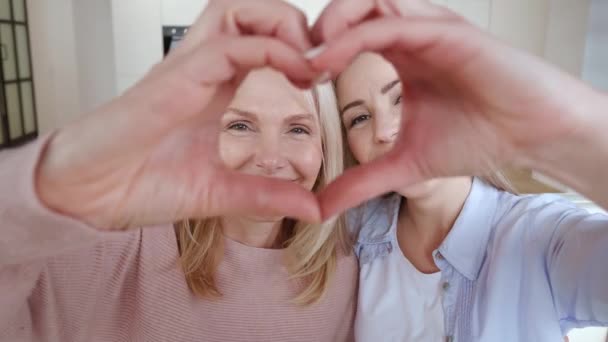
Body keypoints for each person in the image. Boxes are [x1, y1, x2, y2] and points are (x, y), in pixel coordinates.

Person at [0, 1, 357, 341]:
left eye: (298, 129)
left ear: (325, 148)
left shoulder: (343, 272)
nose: (270, 157)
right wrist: (53, 185)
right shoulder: (122, 244)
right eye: (239, 126)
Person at [310, 0, 608, 341]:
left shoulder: (538, 237)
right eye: (359, 118)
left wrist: (539, 134)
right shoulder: (355, 232)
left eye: (402, 97)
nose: (383, 131)